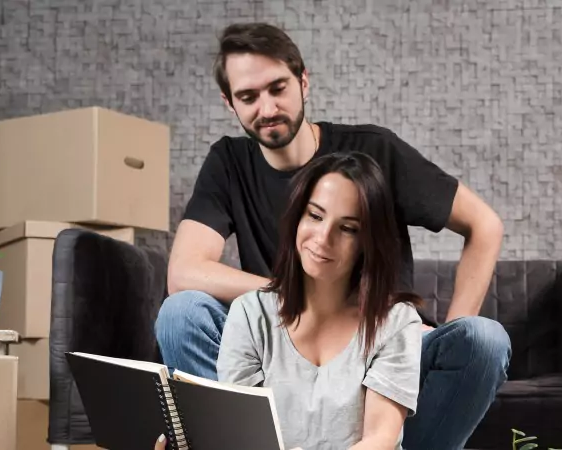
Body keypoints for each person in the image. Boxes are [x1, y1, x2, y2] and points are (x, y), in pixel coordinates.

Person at [155, 22, 511, 450]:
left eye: (278, 88)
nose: (267, 108)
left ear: (303, 81)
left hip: (380, 340)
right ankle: (243, 440)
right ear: (229, 103)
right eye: (248, 96)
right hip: (283, 349)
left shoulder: (374, 151)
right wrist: (295, 296)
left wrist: (431, 330)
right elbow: (185, 273)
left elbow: (484, 225)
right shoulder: (228, 162)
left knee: (484, 339)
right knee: (181, 313)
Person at [160, 153, 424, 449]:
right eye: (315, 215)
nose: (324, 238)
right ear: (297, 217)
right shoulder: (249, 314)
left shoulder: (397, 322)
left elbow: (380, 439)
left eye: (348, 228)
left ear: (369, 241)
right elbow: (243, 439)